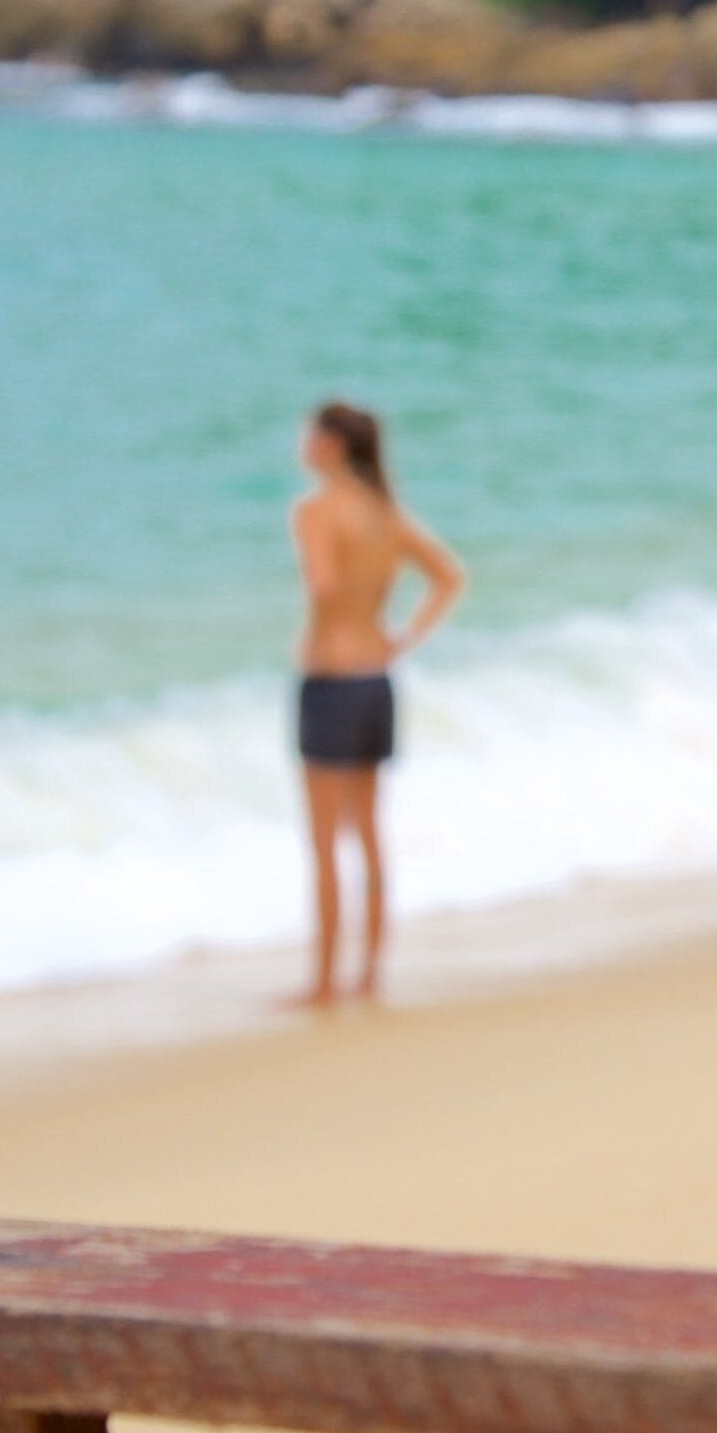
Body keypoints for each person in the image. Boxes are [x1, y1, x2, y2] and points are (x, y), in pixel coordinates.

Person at [289, 400, 462, 1007]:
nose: (303, 441)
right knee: (368, 833)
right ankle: (369, 977)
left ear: (333, 446)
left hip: (331, 677)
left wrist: (321, 600)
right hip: (376, 681)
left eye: (312, 434)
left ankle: (323, 983)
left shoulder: (314, 512)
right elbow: (449, 577)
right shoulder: (387, 513)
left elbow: (324, 586)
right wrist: (405, 635)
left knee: (323, 844)